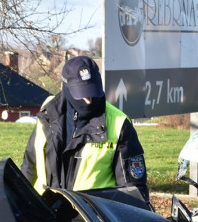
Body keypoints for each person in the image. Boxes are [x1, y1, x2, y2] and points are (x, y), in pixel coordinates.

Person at [21, 55, 149, 205]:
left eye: (92, 92)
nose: (88, 100)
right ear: (66, 88)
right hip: (44, 216)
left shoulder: (119, 124)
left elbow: (133, 191)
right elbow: (29, 167)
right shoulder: (48, 113)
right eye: (81, 94)